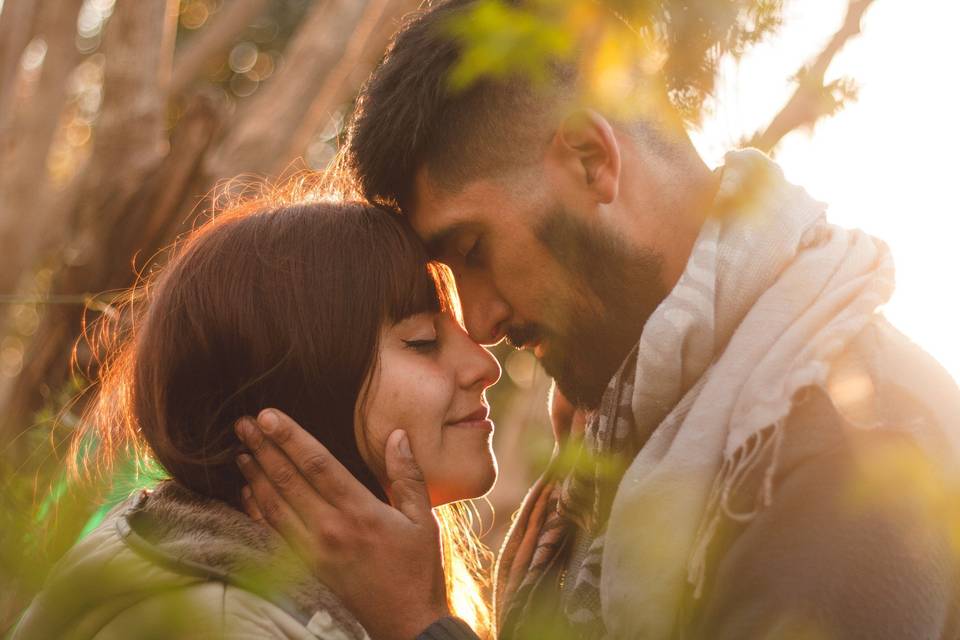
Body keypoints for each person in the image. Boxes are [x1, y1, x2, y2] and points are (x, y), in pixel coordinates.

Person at [238, 1, 960, 639]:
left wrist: (419, 626)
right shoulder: (611, 433)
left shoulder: (854, 442)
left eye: (474, 250)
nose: (480, 322)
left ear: (590, 160)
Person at [11, 199, 502, 640]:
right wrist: (421, 624)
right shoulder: (218, 625)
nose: (485, 366)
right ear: (297, 391)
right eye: (422, 341)